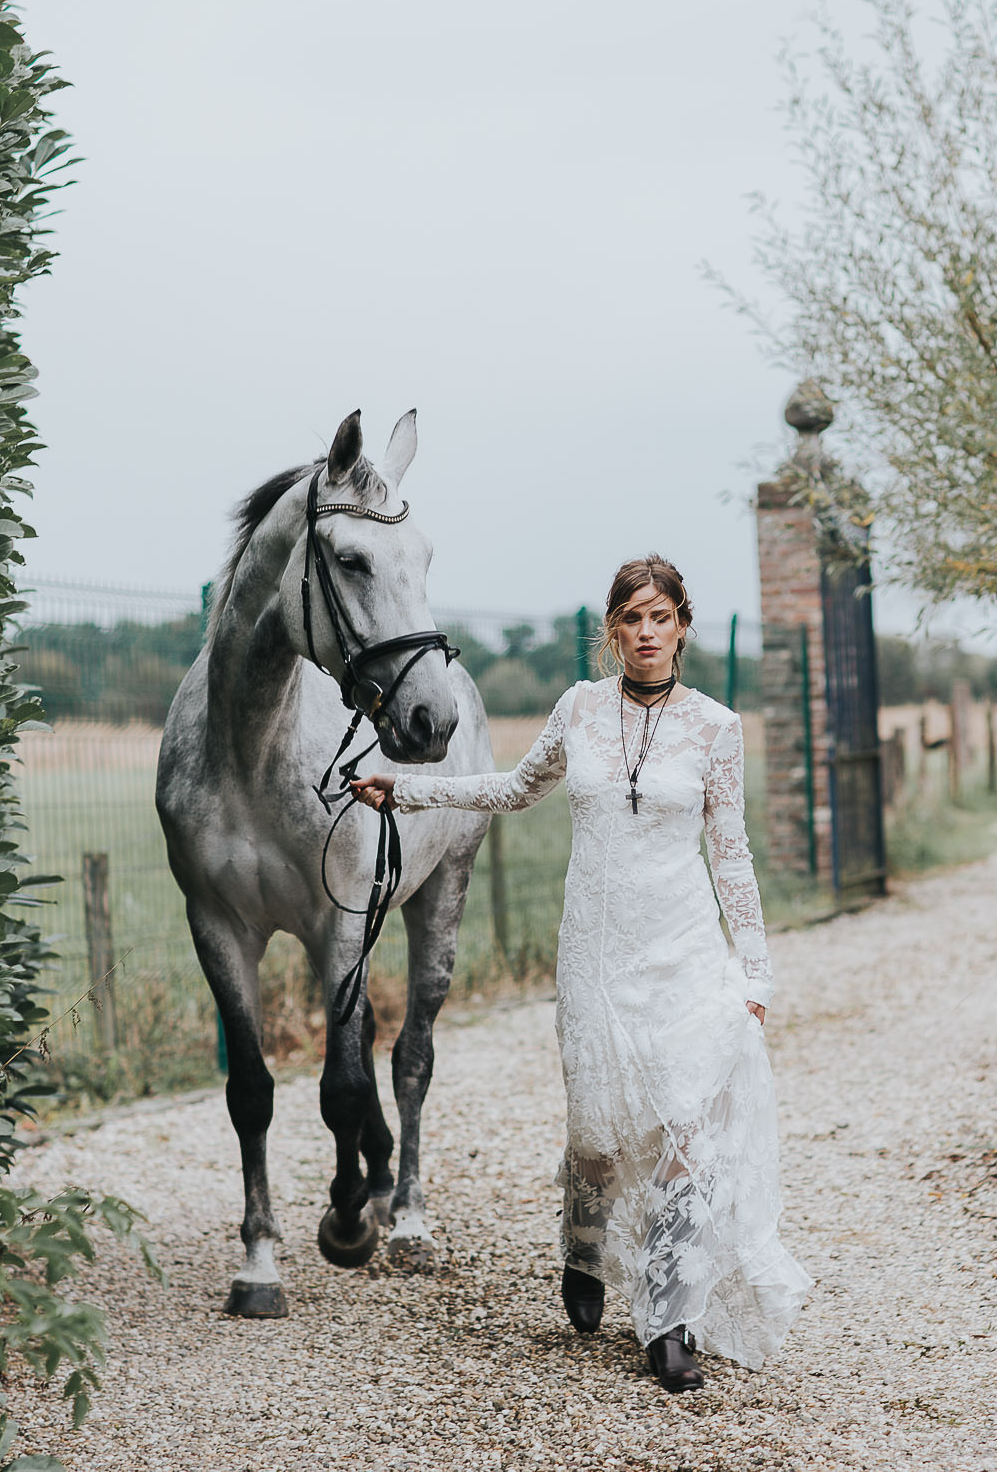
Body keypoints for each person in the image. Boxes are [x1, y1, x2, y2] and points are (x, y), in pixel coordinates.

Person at [352, 555, 810, 1392]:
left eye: (660, 618)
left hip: (684, 954)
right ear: (613, 630)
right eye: (631, 619)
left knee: (686, 1132)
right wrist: (408, 789)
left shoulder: (716, 726)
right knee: (598, 1134)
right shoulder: (580, 709)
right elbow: (515, 788)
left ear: (682, 626)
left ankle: (670, 1322)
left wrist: (756, 974)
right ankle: (585, 1248)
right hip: (596, 955)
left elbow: (732, 854)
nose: (645, 634)